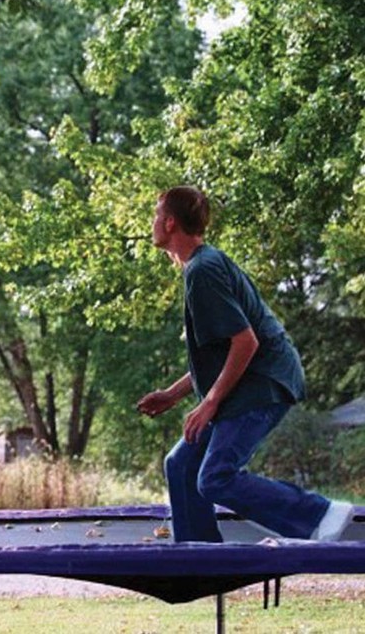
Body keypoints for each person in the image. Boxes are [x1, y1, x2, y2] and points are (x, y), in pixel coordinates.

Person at [137, 186, 355, 543]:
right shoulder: (201, 267)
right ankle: (199, 555)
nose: (152, 222)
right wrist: (173, 394)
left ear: (171, 222)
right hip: (247, 381)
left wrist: (210, 402)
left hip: (263, 382)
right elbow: (222, 353)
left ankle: (320, 512)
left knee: (215, 477)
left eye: (156, 215)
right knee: (181, 465)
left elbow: (245, 342)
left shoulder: (203, 271)